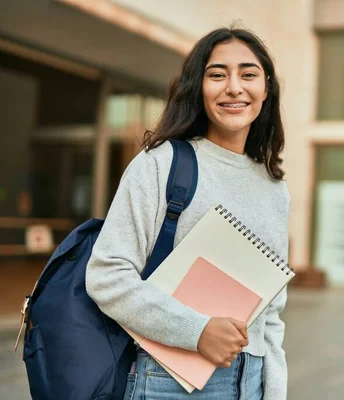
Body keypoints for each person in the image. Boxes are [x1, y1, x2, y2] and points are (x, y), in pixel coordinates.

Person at [86, 26, 290, 400]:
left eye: (248, 74)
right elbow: (106, 275)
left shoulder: (273, 186)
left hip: (253, 380)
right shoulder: (160, 164)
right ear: (198, 86)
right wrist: (196, 330)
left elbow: (271, 313)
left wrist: (274, 391)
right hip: (168, 380)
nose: (233, 87)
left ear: (267, 89)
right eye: (217, 75)